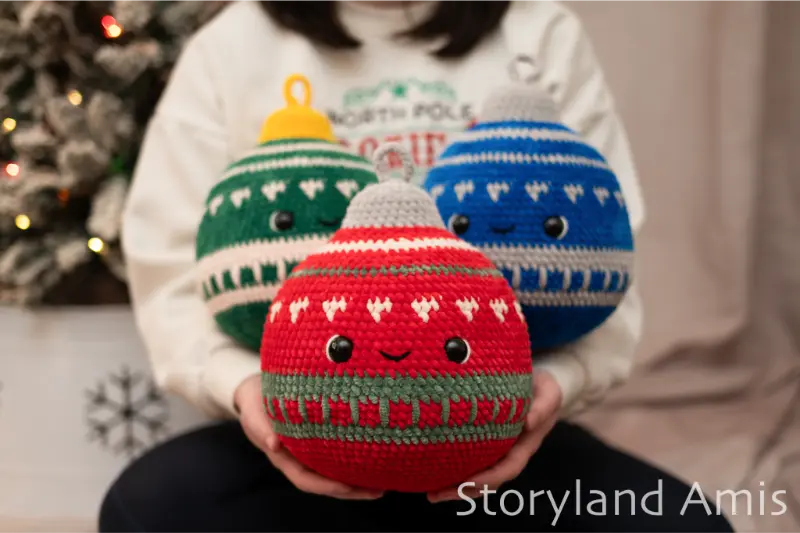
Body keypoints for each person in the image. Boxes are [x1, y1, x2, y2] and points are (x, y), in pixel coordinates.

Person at [104, 0, 735, 531]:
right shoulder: (234, 46)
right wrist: (249, 391)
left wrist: (555, 387)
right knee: (145, 508)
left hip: (501, 433)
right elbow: (172, 267)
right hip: (293, 435)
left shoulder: (538, 30)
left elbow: (609, 257)